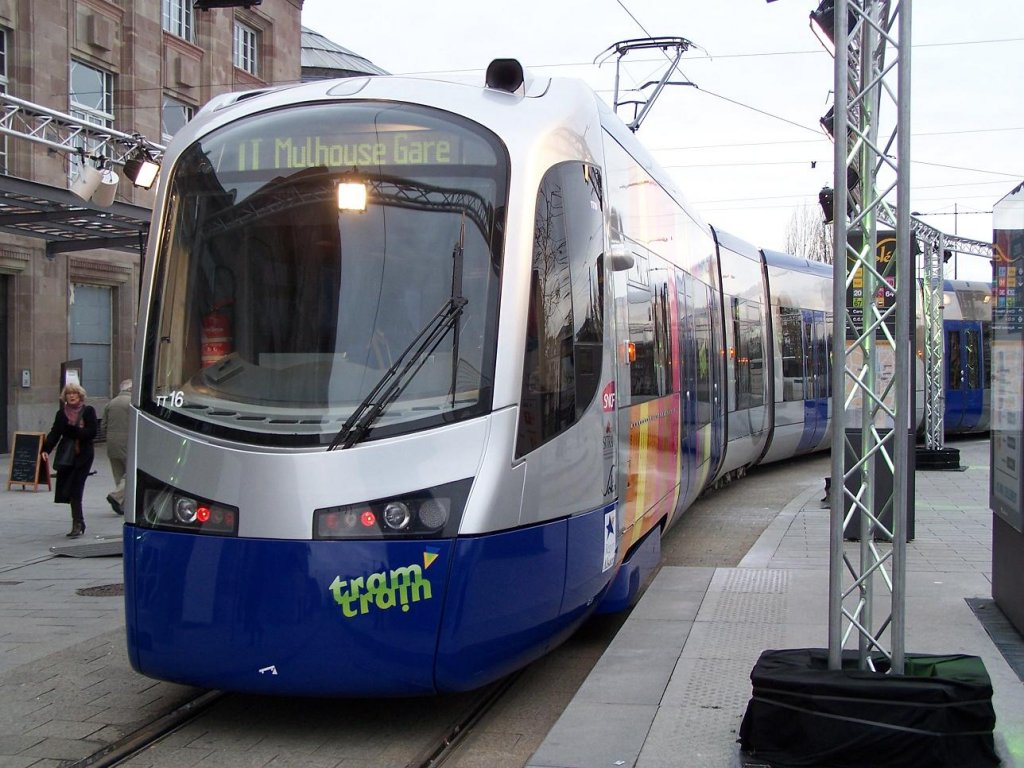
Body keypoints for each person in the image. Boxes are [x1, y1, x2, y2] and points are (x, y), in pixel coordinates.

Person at [41, 383, 98, 538]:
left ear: (80, 396)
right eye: (69, 394)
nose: (72, 396)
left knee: (76, 488)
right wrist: (46, 449)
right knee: (68, 489)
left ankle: (77, 523)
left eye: (75, 393)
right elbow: (55, 433)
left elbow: (92, 432)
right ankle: (79, 521)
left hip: (84, 455)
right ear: (65, 396)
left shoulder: (88, 411)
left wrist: (75, 432)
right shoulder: (61, 414)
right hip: (67, 456)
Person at [103, 379, 131, 515]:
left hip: (111, 443)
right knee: (131, 472)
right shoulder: (132, 403)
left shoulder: (111, 403)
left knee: (119, 474)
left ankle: (122, 504)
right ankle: (117, 495)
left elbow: (103, 426)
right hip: (128, 442)